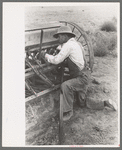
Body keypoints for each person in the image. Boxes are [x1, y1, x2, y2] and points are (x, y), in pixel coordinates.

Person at [41, 26, 117, 121]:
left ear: (65, 36)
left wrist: (45, 55)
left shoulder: (68, 46)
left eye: (59, 36)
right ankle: (105, 103)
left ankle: (68, 112)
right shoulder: (77, 44)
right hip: (86, 75)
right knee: (82, 103)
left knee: (65, 86)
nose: (58, 39)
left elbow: (56, 60)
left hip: (81, 78)